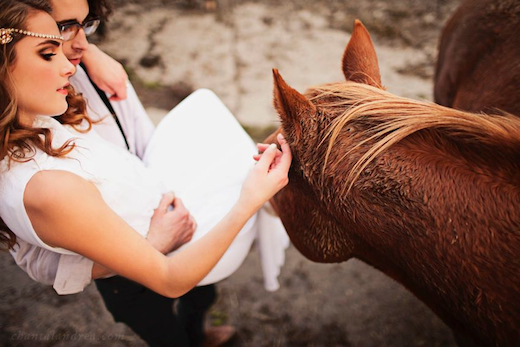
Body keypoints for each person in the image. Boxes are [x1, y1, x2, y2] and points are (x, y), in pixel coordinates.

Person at [0, 1, 291, 347]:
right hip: (139, 270)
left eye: (82, 30)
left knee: (200, 299)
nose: (69, 65)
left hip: (166, 208)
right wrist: (251, 198)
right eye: (49, 53)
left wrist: (91, 55)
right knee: (165, 334)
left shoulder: (37, 118)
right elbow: (169, 279)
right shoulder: (49, 186)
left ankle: (197, 332)